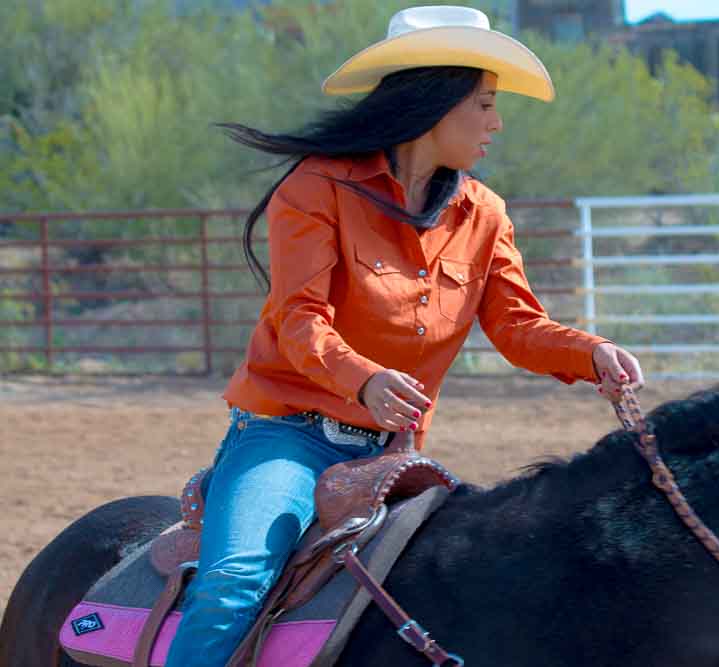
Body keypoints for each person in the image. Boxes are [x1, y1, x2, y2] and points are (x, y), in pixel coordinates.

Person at [165, 6, 645, 665]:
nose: (496, 123)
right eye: (484, 103)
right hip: (288, 435)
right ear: (436, 101)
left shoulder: (485, 213)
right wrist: (362, 377)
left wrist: (590, 352)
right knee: (234, 579)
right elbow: (298, 319)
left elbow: (516, 325)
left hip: (395, 456)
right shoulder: (316, 187)